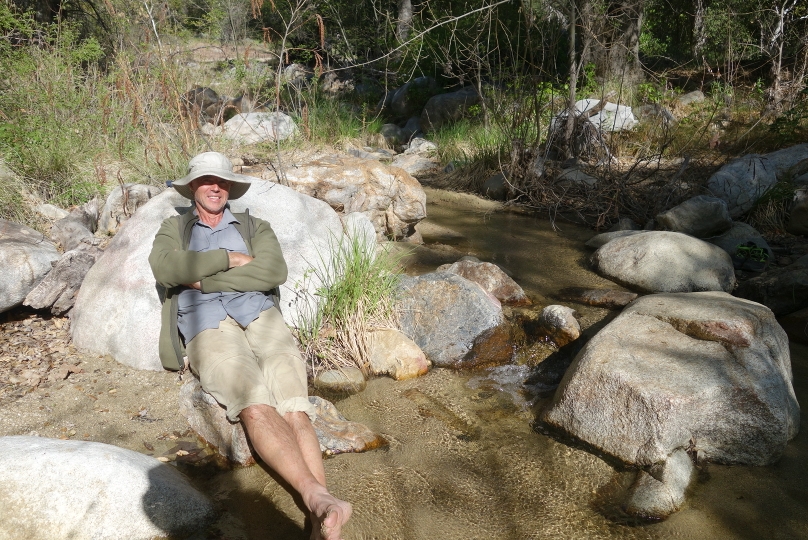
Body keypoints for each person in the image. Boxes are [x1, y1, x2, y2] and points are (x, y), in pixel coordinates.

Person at [148, 152, 351, 540]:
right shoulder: (174, 228)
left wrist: (204, 278)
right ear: (193, 186)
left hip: (260, 314)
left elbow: (273, 271)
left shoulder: (254, 225)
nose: (215, 187)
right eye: (207, 180)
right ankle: (319, 499)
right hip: (206, 322)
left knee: (294, 404)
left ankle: (320, 515)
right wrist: (230, 259)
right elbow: (167, 268)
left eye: (222, 181)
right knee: (254, 404)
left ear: (230, 187)